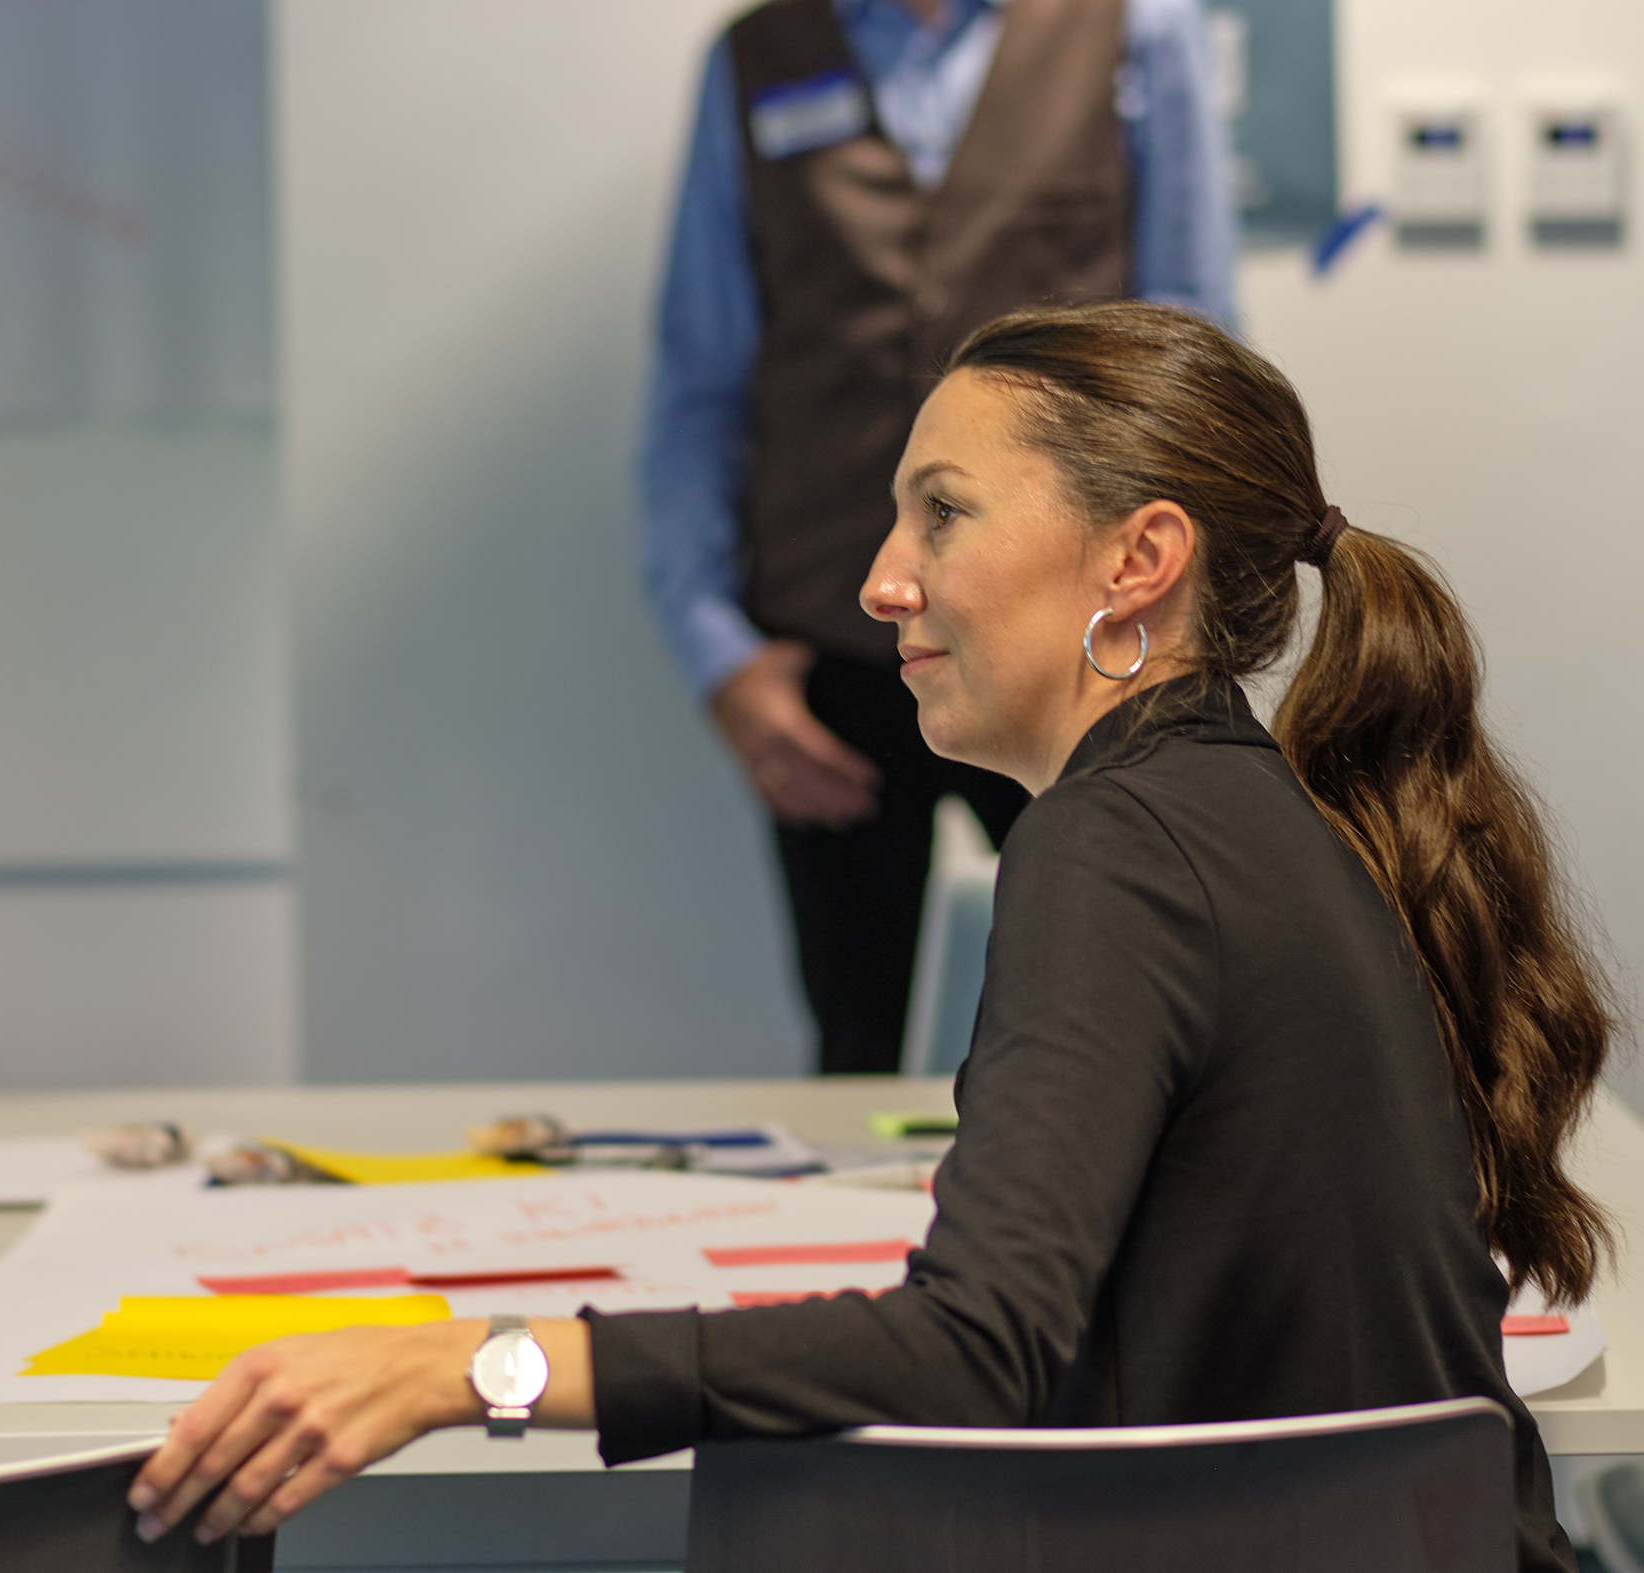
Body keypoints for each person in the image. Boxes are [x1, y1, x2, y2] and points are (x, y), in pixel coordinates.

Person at [130, 305, 1608, 1572]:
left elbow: (977, 1345)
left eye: (942, 513)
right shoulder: (1242, 809)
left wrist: (476, 1362)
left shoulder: (1114, 843)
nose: (880, 580)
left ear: (1137, 559)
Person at [642, 0, 1235, 1072]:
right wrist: (717, 656)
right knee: (857, 1044)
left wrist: (1173, 643)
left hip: (1075, 651)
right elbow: (700, 383)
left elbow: (1193, 351)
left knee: (1127, 1030)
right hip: (832, 658)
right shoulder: (757, 55)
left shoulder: (1136, 29)